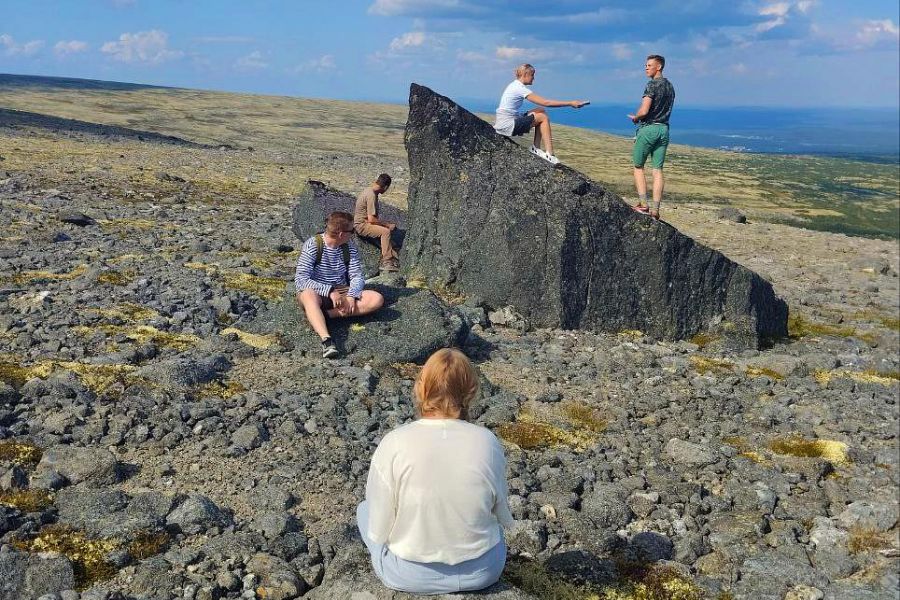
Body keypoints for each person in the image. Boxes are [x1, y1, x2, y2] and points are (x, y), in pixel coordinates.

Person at [357, 348, 514, 594]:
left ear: (421, 389)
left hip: (410, 575)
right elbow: (502, 514)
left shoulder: (395, 441)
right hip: (483, 571)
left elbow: (379, 527)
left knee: (364, 509)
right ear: (470, 392)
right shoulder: (487, 441)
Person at [295, 211, 384, 359]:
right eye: (352, 231)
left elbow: (357, 276)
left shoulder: (348, 247)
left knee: (376, 299)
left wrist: (351, 296)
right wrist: (329, 291)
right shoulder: (313, 244)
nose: (353, 234)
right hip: (317, 291)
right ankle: (326, 340)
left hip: (342, 290)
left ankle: (324, 316)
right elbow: (301, 279)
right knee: (307, 295)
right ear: (341, 234)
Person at [494, 63, 589, 164]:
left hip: (506, 122)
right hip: (507, 126)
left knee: (540, 110)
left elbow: (542, 105)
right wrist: (570, 103)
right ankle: (550, 154)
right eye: (532, 75)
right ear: (525, 74)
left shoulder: (515, 85)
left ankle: (536, 148)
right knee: (542, 117)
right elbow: (546, 102)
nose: (533, 78)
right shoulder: (519, 88)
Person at [628, 54, 675, 220]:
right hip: (664, 130)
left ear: (659, 66)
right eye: (646, 65)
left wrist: (636, 117)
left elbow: (644, 110)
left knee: (638, 166)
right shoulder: (670, 87)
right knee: (657, 170)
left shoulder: (652, 85)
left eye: (649, 65)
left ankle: (643, 205)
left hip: (649, 129)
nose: (646, 68)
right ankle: (655, 210)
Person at [354, 173, 400, 273]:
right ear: (386, 187)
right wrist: (388, 225)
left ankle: (394, 256)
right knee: (385, 232)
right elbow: (371, 219)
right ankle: (387, 261)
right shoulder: (371, 195)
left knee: (391, 242)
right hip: (362, 225)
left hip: (363, 222)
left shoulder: (368, 191)